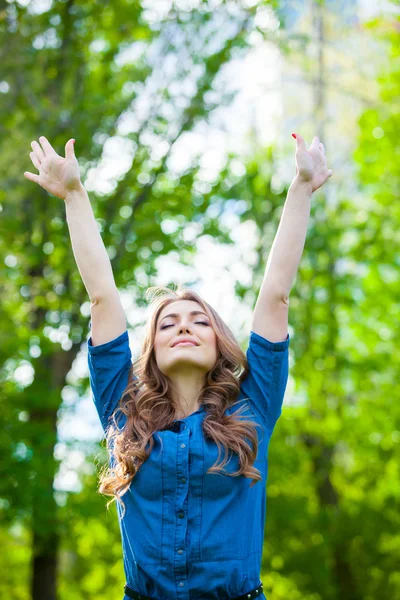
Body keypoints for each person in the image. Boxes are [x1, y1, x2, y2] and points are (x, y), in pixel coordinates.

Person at [24, 134, 332, 600]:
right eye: (168, 323)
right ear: (151, 348)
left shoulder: (254, 407)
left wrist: (302, 187)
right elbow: (102, 296)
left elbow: (276, 294)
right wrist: (75, 194)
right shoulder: (121, 409)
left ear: (218, 342)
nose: (183, 328)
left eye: (198, 321)